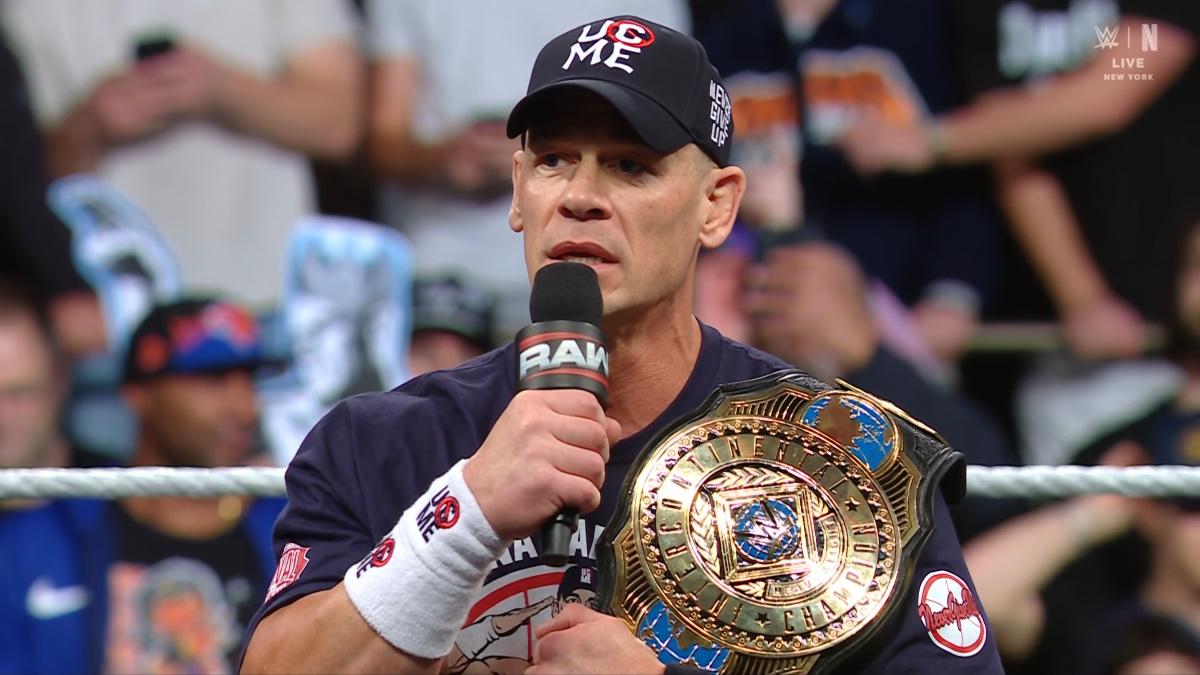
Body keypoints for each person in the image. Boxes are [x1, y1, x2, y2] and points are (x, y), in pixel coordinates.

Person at [242, 16, 1001, 674]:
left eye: (630, 166)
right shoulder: (378, 441)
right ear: (518, 192)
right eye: (552, 161)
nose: (578, 194)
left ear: (717, 205)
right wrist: (464, 513)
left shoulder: (844, 456)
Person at [0, 0, 364, 309]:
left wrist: (222, 90)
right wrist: (90, 128)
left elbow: (339, 128)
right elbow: (21, 192)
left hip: (273, 300)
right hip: (115, 316)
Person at [362, 0, 688, 342]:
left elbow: (674, 136)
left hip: (600, 270)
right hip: (440, 273)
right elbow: (382, 143)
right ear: (520, 175)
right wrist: (447, 158)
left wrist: (572, 156)